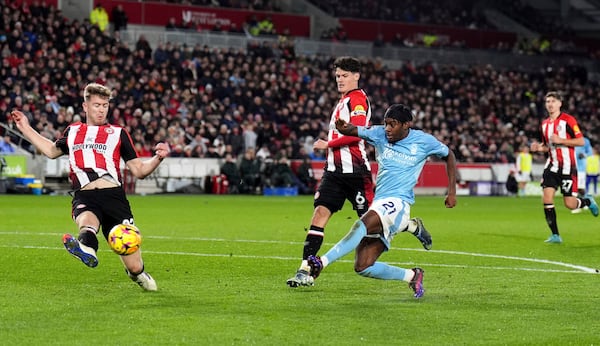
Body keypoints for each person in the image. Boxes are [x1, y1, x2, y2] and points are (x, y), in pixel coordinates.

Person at [9, 83, 170, 291]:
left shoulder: (118, 133)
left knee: (134, 264)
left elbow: (138, 170)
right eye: (96, 105)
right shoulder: (73, 131)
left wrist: (158, 158)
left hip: (114, 197)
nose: (102, 109)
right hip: (85, 195)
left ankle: (138, 275)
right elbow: (50, 150)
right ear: (85, 106)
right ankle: (86, 249)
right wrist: (25, 127)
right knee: (87, 225)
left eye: (105, 105)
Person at [306, 104, 457, 299]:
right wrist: (342, 126)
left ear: (406, 125)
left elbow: (449, 155)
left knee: (361, 225)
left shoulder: (423, 141)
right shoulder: (379, 133)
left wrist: (452, 191)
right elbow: (353, 130)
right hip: (380, 203)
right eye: (386, 124)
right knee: (363, 266)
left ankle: (322, 262)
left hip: (399, 203)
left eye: (392, 124)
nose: (387, 128)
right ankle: (412, 275)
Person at [286, 57, 375, 288]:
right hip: (334, 172)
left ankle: (410, 225)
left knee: (375, 223)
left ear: (357, 76)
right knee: (319, 215)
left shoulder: (357, 100)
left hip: (356, 172)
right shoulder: (343, 100)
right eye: (337, 76)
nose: (340, 80)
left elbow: (358, 133)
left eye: (345, 75)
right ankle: (305, 270)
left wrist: (328, 144)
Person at [530, 91, 598, 244]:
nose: (550, 104)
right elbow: (548, 147)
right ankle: (555, 235)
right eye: (548, 101)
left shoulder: (568, 120)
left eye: (553, 101)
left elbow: (580, 141)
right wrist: (538, 148)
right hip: (552, 167)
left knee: (570, 204)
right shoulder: (544, 124)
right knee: (546, 199)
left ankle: (587, 201)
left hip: (567, 167)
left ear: (560, 103)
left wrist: (561, 140)